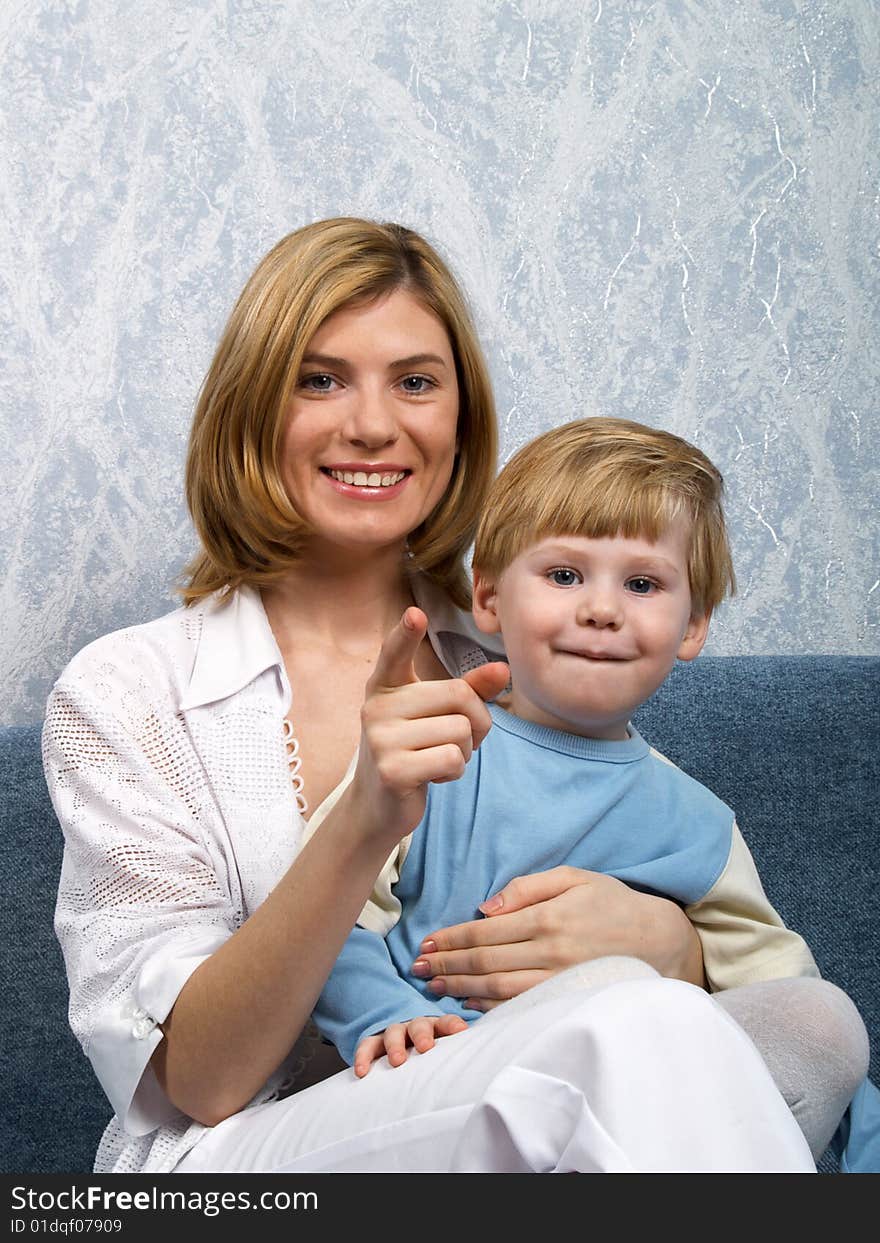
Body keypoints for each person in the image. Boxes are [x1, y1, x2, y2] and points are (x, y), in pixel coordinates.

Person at [44, 217, 817, 1175]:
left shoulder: (544, 645)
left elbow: (705, 944)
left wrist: (672, 949)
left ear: (461, 414)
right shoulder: (131, 693)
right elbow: (201, 1083)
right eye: (319, 378)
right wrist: (363, 818)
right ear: (251, 406)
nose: (374, 424)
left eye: (415, 381)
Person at [313, 416, 870, 1166]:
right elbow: (329, 917)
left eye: (642, 583)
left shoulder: (697, 824)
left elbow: (782, 999)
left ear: (693, 623)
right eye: (565, 575)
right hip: (440, 1092)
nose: (601, 608)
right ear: (488, 599)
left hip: (622, 1110)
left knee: (824, 1019)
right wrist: (387, 1015)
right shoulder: (433, 744)